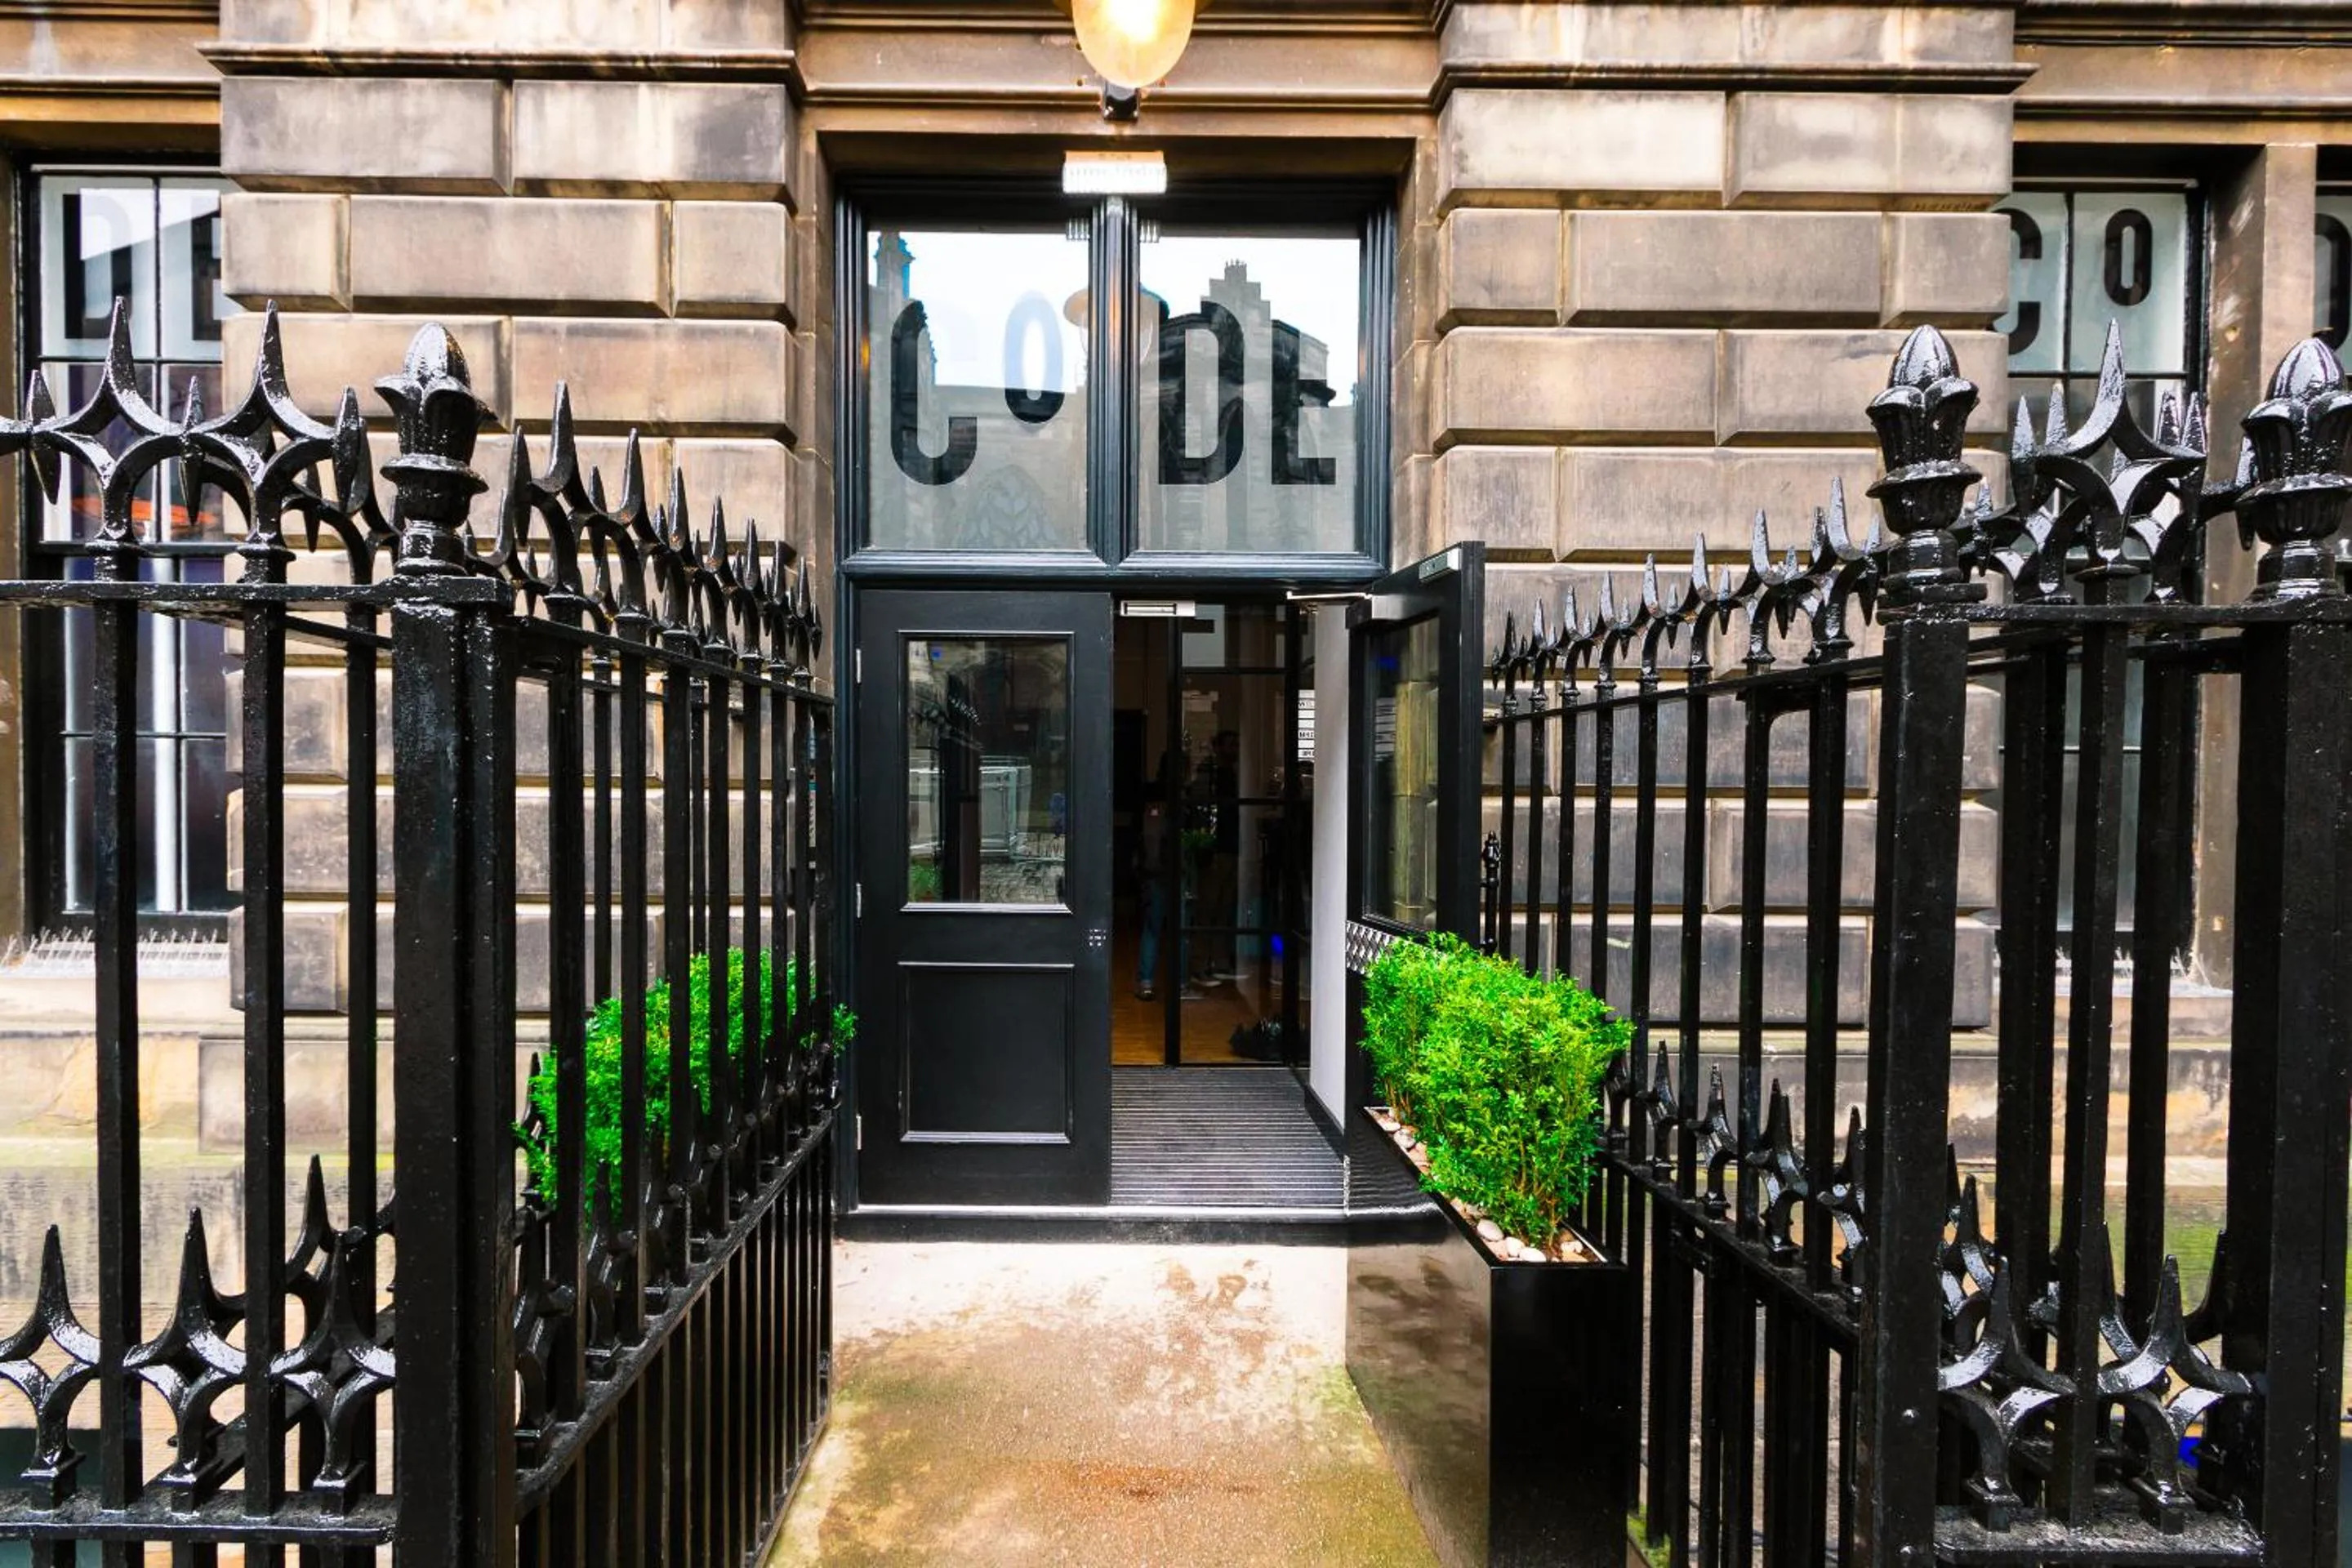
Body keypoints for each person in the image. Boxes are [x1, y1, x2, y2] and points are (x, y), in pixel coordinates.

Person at [1193, 730, 1241, 982]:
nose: (1236, 750)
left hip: (1231, 848)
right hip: (1216, 849)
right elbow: (1204, 811)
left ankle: (1220, 962)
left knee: (1224, 908)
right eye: (1231, 745)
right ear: (1219, 747)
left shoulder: (1232, 774)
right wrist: (1206, 846)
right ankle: (1200, 965)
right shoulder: (1210, 773)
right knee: (1208, 909)